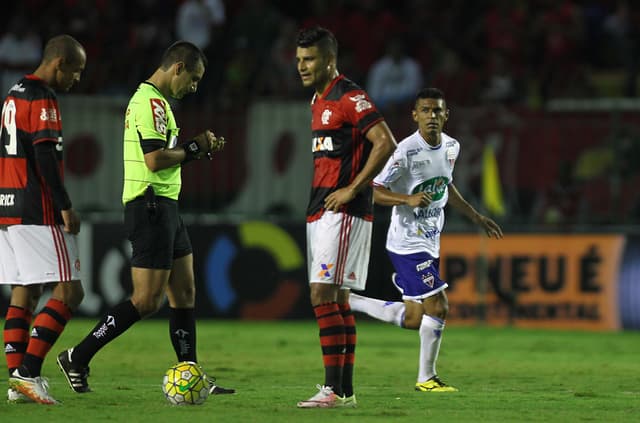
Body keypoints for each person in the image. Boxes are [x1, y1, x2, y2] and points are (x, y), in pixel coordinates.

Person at [56, 40, 234, 396]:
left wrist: (196, 151)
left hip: (167, 205)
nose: (195, 87)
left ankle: (191, 372)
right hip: (149, 207)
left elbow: (165, 156)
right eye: (195, 79)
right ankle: (78, 355)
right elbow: (154, 159)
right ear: (178, 68)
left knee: (184, 293)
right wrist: (196, 148)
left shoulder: (158, 103)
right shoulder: (150, 102)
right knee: (146, 300)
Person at [349, 87, 503, 392]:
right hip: (406, 243)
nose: (431, 116)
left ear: (446, 115)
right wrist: (406, 199)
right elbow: (374, 190)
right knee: (439, 306)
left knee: (414, 318)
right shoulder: (404, 151)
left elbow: (446, 187)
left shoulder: (452, 147)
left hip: (431, 241)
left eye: (437, 111)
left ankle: (351, 300)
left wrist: (476, 216)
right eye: (426, 111)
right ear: (415, 115)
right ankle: (426, 379)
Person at [294, 26, 396, 408]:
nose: (302, 66)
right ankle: (345, 391)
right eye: (300, 59)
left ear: (329, 60)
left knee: (322, 295)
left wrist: (353, 189)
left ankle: (332, 390)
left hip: (344, 210)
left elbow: (385, 142)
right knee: (337, 299)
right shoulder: (317, 100)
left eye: (310, 59)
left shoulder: (348, 96)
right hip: (321, 209)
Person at [1, 34, 86, 405]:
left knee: (24, 293)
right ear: (58, 64)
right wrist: (64, 203)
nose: (77, 79)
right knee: (70, 290)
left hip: (7, 205)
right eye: (76, 71)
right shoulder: (42, 97)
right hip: (37, 207)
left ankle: (16, 383)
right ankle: (29, 372)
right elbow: (45, 155)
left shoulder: (13, 93)